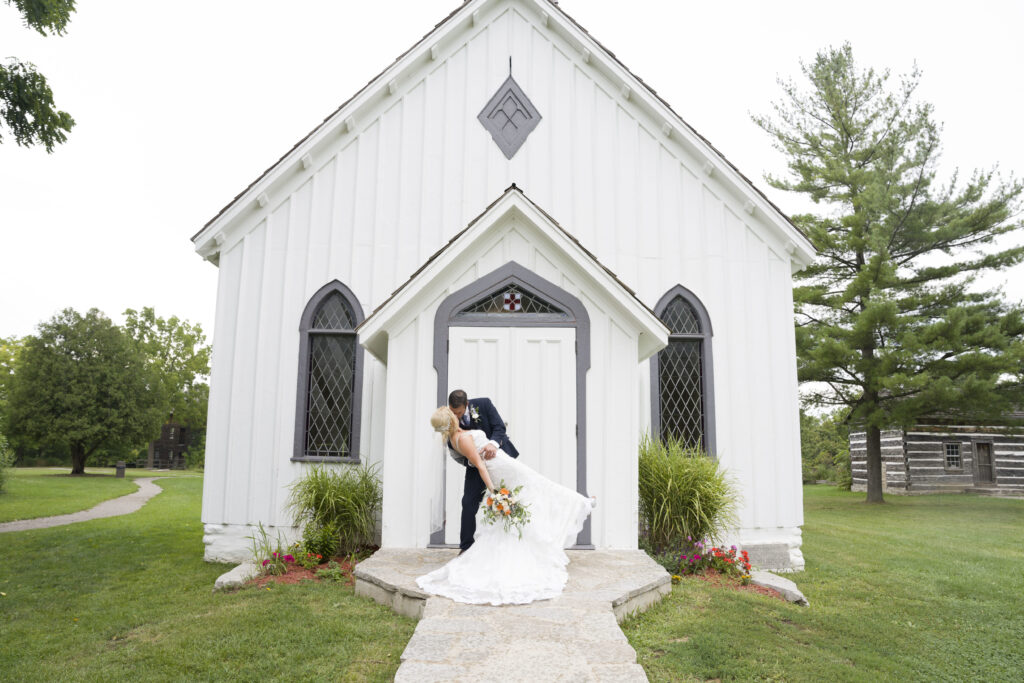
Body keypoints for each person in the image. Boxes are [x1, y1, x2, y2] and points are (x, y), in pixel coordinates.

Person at [417, 405, 595, 605]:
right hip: (502, 468)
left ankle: (575, 506)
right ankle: (581, 502)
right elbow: (481, 465)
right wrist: (494, 493)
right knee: (539, 484)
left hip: (504, 463)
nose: (458, 417)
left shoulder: (454, 438)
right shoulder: (463, 439)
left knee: (537, 487)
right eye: (453, 416)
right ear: (451, 421)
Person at [446, 389, 519, 553]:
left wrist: (493, 444)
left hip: (500, 460)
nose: (456, 417)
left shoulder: (484, 404)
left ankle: (515, 544)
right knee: (468, 503)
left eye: (458, 413)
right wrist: (472, 461)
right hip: (476, 466)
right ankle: (466, 547)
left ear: (466, 404)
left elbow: (499, 427)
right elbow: (455, 451)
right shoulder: (448, 418)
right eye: (453, 412)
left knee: (511, 500)